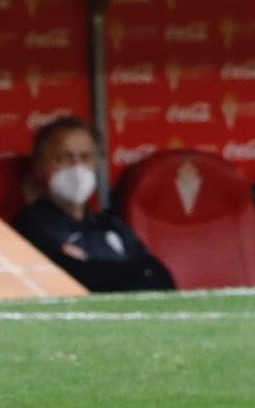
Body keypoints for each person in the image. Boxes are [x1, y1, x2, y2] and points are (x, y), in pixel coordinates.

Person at [12, 117, 174, 293]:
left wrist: (135, 272)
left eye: (85, 157)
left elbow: (160, 276)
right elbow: (79, 278)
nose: (76, 167)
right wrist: (136, 273)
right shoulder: (31, 227)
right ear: (39, 165)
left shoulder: (112, 225)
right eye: (63, 158)